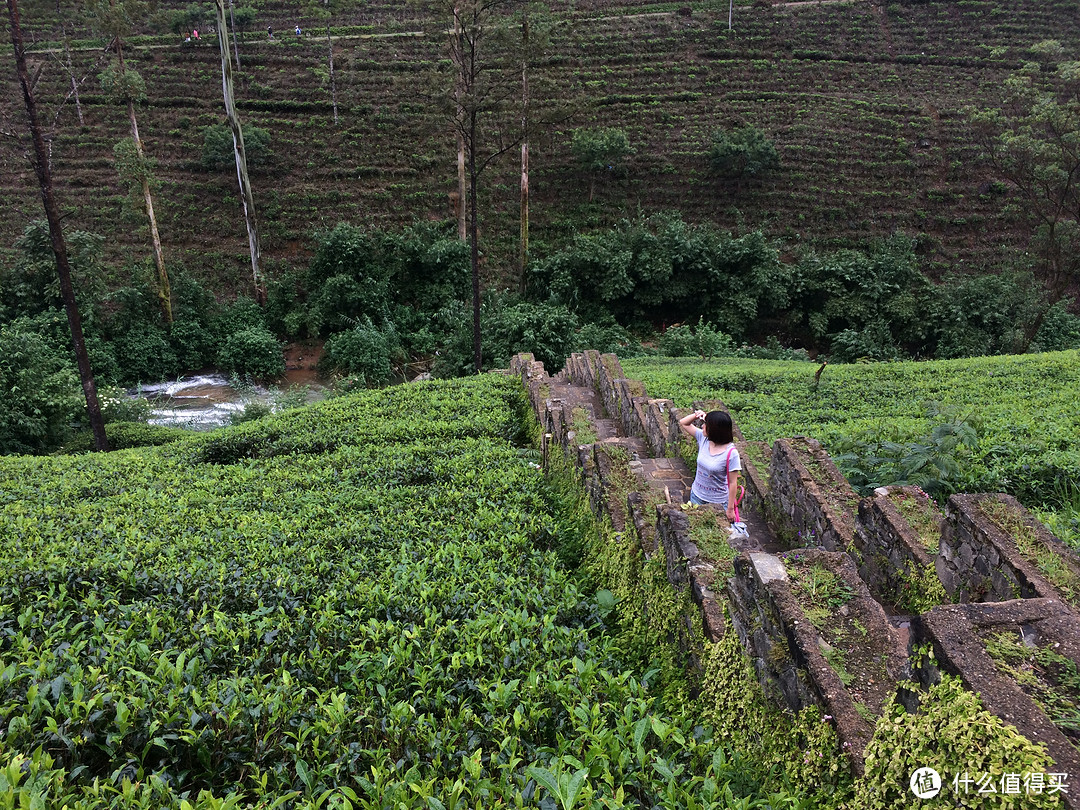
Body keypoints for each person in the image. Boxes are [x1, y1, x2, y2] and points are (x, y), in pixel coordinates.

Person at [678, 408, 741, 521]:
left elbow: (733, 483)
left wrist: (730, 509)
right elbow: (684, 423)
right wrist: (698, 415)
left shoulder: (731, 454)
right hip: (697, 496)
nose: (702, 426)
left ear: (715, 429)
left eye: (706, 425)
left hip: (718, 501)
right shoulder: (703, 439)